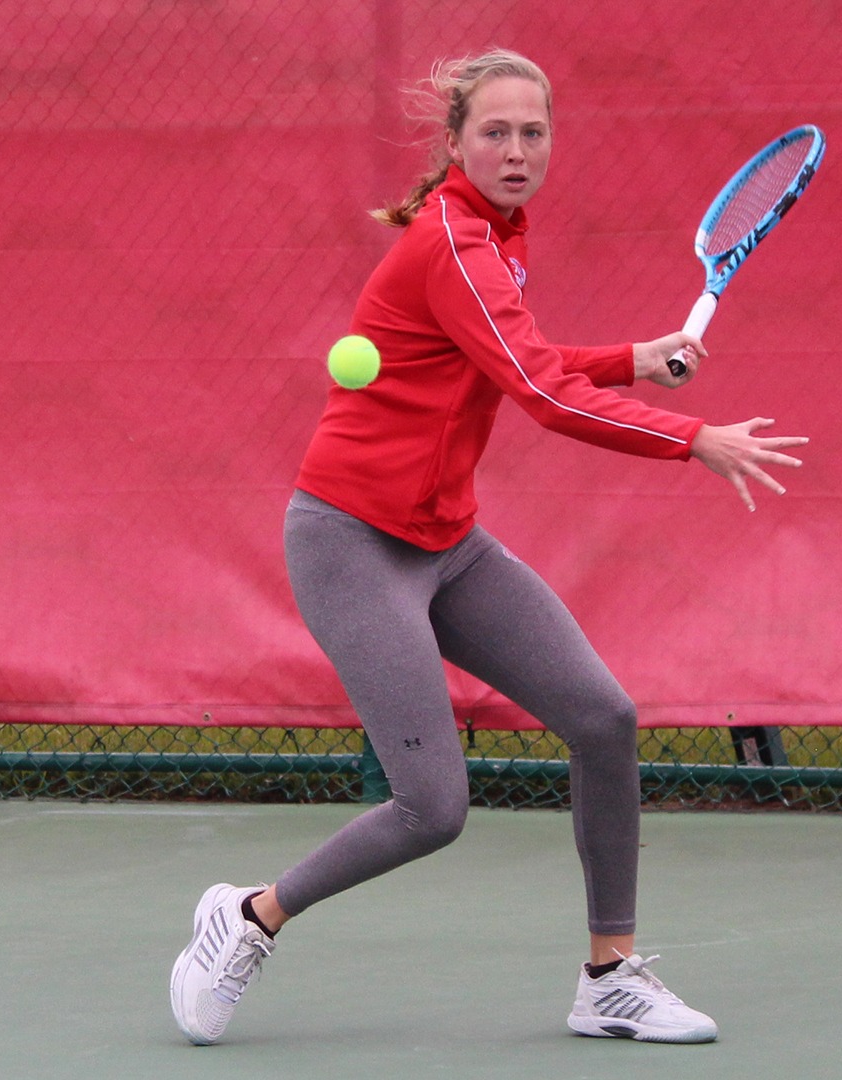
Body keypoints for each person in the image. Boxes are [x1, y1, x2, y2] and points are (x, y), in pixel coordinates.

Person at [169, 47, 807, 1046]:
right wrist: (694, 439)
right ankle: (248, 917)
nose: (517, 150)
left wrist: (634, 360)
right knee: (432, 807)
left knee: (601, 718)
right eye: (496, 133)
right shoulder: (454, 243)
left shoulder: (499, 240)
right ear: (457, 144)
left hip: (443, 541)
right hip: (349, 543)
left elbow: (524, 356)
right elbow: (545, 396)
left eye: (534, 132)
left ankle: (610, 977)